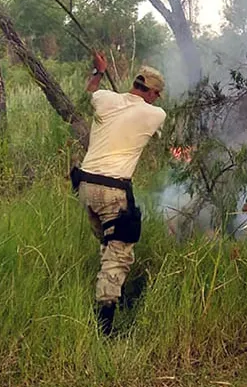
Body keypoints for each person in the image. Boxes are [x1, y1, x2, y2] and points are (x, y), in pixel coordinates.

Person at [70, 52, 166, 336]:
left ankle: (111, 293)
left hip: (86, 187)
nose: (157, 99)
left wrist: (99, 71)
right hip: (113, 190)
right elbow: (152, 129)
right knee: (118, 254)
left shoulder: (105, 98)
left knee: (107, 243)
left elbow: (91, 92)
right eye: (157, 94)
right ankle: (105, 325)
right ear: (150, 91)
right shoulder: (155, 114)